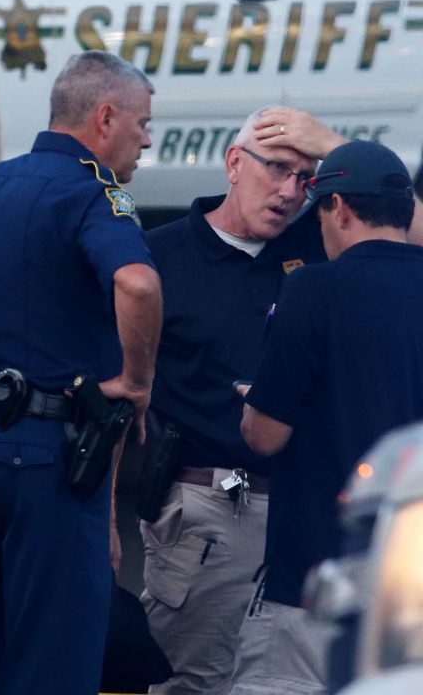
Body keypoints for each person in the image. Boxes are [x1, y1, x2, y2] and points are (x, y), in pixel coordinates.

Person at [0, 50, 163, 695]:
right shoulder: (95, 191)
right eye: (142, 125)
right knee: (55, 655)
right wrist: (137, 384)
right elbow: (137, 283)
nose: (146, 141)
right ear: (105, 118)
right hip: (49, 455)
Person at [138, 106, 344, 695]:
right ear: (234, 163)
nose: (288, 192)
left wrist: (334, 146)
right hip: (206, 513)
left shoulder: (320, 242)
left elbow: (409, 229)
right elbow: (114, 394)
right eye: (276, 169)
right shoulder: (159, 258)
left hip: (306, 514)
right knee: (193, 685)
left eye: (306, 180)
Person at [227, 139, 423, 694]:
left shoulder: (312, 288)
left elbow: (263, 436)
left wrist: (252, 399)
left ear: (337, 208)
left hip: (318, 579)